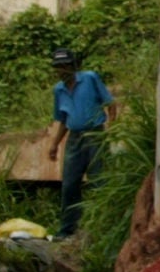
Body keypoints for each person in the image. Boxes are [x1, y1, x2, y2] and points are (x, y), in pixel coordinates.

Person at [45, 47, 116, 238]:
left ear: (73, 65)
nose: (62, 69)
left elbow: (110, 103)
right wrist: (55, 144)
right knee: (69, 184)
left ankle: (103, 229)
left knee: (99, 182)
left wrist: (112, 130)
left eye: (66, 65)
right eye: (58, 66)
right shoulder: (59, 90)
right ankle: (67, 230)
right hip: (75, 138)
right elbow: (63, 119)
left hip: (95, 135)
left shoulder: (90, 78)